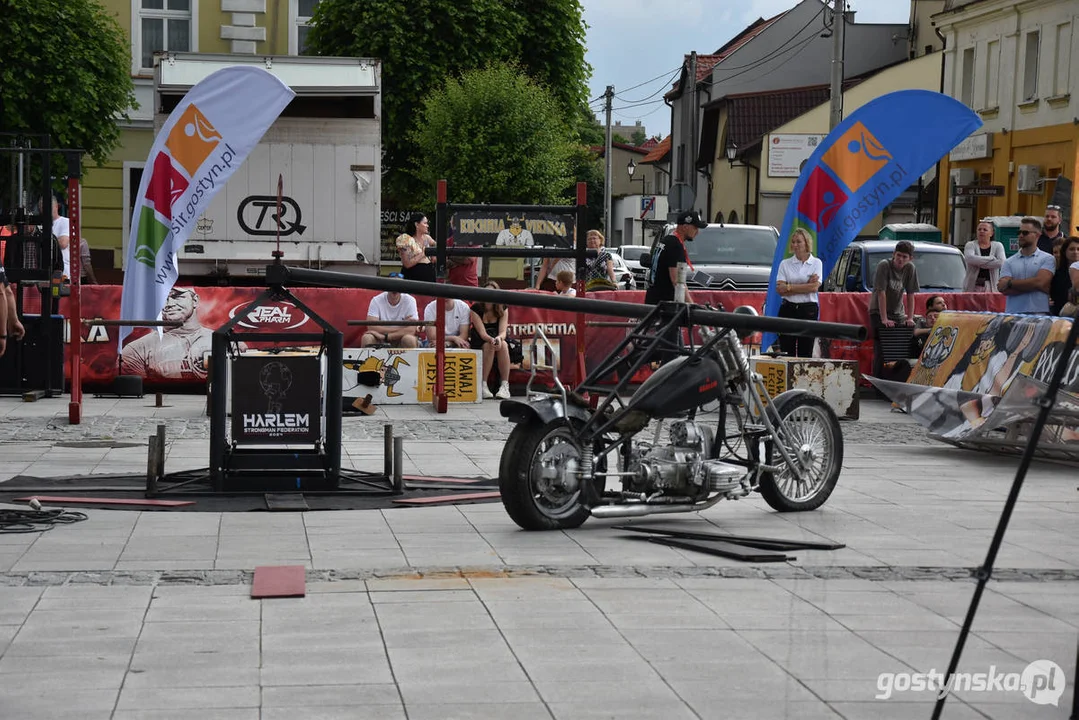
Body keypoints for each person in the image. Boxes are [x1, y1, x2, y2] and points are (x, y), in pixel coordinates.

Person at [120, 287, 213, 381]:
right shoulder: (136, 350)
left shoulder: (216, 340)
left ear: (195, 300)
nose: (169, 304)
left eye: (177, 296)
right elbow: (140, 391)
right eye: (162, 298)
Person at [867, 240, 919, 380]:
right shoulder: (884, 265)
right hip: (878, 310)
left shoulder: (910, 269)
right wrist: (884, 318)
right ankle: (878, 381)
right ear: (894, 254)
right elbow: (881, 293)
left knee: (900, 347)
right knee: (882, 348)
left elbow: (911, 294)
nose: (900, 259)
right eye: (899, 255)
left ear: (910, 259)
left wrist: (909, 317)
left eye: (904, 257)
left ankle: (897, 379)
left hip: (898, 312)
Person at [775, 228, 823, 357]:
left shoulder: (816, 263)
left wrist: (789, 287)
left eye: (798, 242)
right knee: (786, 350)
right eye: (793, 242)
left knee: (805, 351)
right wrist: (806, 284)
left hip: (808, 309)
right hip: (788, 308)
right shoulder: (785, 264)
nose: (795, 245)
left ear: (806, 243)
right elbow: (780, 289)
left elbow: (814, 288)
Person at [644, 210, 707, 305]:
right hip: (665, 304)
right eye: (695, 228)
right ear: (685, 227)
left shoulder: (666, 240)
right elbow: (677, 281)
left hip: (653, 299)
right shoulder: (675, 245)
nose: (697, 232)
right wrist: (692, 305)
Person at [998, 217, 1055, 315]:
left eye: (1025, 233)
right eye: (1019, 232)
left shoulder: (1047, 258)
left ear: (1037, 235)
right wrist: (1035, 286)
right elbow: (1003, 289)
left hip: (1039, 313)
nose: (1020, 235)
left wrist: (1010, 283)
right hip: (1013, 313)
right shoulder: (1009, 262)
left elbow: (1040, 282)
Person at [470, 282, 511, 399]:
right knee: (489, 345)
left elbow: (503, 331)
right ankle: (483, 385)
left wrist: (498, 338)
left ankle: (504, 385)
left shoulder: (502, 307)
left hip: (497, 336)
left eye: (492, 293)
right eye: (486, 293)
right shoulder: (476, 308)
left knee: (503, 344)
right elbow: (482, 333)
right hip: (481, 338)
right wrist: (491, 339)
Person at [361, 276, 419, 348]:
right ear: (386, 287)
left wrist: (386, 336)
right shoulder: (376, 300)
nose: (395, 289)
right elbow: (371, 327)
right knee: (367, 338)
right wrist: (401, 328)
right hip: (380, 339)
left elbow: (411, 330)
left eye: (398, 286)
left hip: (393, 338)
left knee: (409, 340)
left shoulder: (410, 300)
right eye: (392, 286)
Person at [963, 220, 1006, 292]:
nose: (981, 231)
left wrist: (978, 263)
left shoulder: (998, 245)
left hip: (991, 286)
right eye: (979, 229)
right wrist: (991, 258)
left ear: (991, 233)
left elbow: (1001, 262)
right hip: (972, 286)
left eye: (985, 230)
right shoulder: (970, 245)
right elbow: (969, 258)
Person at [396, 213, 436, 283]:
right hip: (412, 279)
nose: (427, 226)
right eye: (425, 223)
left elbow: (437, 246)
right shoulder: (405, 239)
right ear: (416, 225)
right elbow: (407, 264)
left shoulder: (427, 238)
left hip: (429, 280)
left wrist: (433, 255)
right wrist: (423, 253)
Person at [1053, 236, 1079, 317]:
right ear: (1064, 252)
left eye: (1078, 249)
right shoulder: (1056, 274)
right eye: (1071, 249)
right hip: (1060, 317)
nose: (1075, 252)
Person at [51, 196, 70, 279]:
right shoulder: (40, 224)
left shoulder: (65, 222)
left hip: (63, 271)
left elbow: (63, 243)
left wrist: (44, 241)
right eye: (42, 207)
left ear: (56, 206)